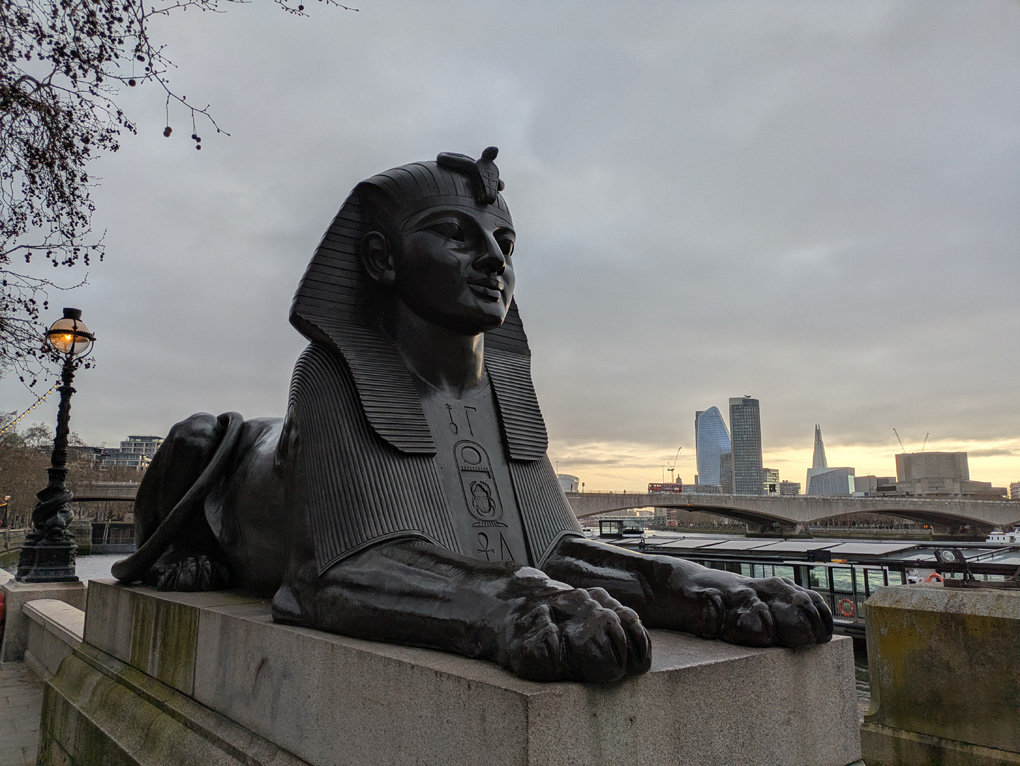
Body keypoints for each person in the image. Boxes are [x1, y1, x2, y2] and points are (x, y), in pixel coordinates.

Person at [115, 148, 831, 683]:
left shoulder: (504, 393)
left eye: (505, 244)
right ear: (379, 258)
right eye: (456, 235)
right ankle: (181, 545)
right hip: (225, 500)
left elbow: (555, 552)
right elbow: (329, 579)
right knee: (199, 437)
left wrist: (704, 589)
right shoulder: (330, 376)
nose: (494, 261)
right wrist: (510, 604)